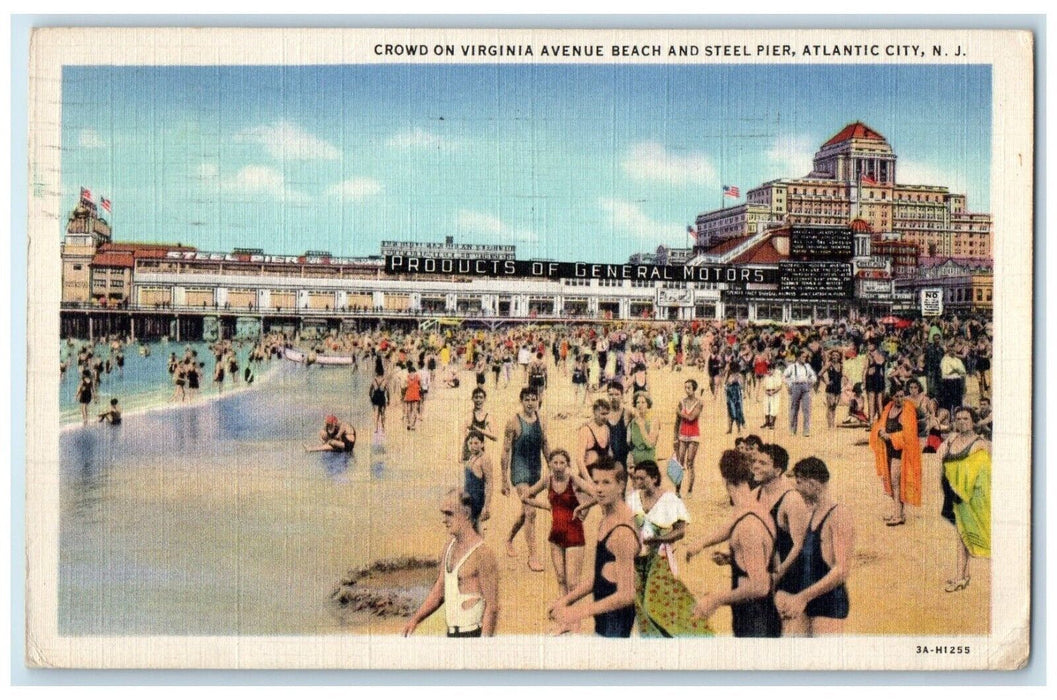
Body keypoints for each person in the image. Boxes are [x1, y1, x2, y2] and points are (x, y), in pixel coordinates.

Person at [692, 449, 781, 638]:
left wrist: (715, 600)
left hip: (756, 621)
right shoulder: (754, 508)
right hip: (759, 615)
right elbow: (732, 527)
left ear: (725, 481)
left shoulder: (748, 526)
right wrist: (704, 544)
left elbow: (760, 586)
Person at [548, 456, 638, 637]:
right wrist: (565, 601)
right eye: (596, 482)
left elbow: (627, 594)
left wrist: (577, 612)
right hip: (604, 622)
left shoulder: (621, 532)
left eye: (606, 482)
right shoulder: (606, 520)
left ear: (621, 486)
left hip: (616, 626)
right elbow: (599, 576)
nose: (599, 489)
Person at [627, 460, 712, 637]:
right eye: (636, 479)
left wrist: (658, 539)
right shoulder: (633, 498)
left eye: (642, 479)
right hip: (636, 560)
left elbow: (680, 531)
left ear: (654, 478)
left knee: (656, 602)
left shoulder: (670, 499)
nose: (638, 483)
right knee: (640, 603)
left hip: (660, 558)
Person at [402, 489, 500, 638]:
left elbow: (492, 608)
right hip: (452, 634)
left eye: (449, 514)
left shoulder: (483, 554)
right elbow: (439, 591)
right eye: (443, 514)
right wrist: (415, 619)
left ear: (466, 514)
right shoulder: (449, 546)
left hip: (473, 634)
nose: (444, 520)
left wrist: (483, 648)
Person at [774, 457, 855, 635]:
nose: (797, 488)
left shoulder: (839, 515)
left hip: (829, 605)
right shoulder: (812, 512)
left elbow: (841, 571)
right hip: (805, 600)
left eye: (800, 482)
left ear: (813, 483)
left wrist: (802, 597)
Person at [752, 444, 810, 635]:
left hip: (791, 582)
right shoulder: (756, 494)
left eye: (763, 463)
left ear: (777, 470)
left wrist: (777, 575)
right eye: (755, 462)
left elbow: (800, 546)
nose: (755, 466)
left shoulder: (791, 500)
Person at [520, 449, 594, 600]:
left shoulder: (572, 478)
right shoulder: (548, 480)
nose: (559, 466)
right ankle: (563, 618)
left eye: (562, 463)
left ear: (567, 464)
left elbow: (597, 495)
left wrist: (581, 507)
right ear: (550, 464)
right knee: (560, 579)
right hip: (555, 535)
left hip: (574, 534)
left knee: (573, 584)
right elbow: (525, 496)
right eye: (555, 462)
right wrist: (545, 506)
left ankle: (573, 619)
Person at [938, 407, 991, 592]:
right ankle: (964, 574)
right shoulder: (952, 439)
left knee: (963, 535)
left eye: (966, 418)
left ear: (973, 421)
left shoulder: (980, 444)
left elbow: (986, 472)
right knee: (962, 535)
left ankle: (960, 577)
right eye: (958, 418)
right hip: (951, 494)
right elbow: (940, 458)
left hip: (967, 497)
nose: (962, 422)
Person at [502, 388, 550, 572]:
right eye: (527, 399)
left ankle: (509, 538)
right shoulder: (513, 422)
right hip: (519, 470)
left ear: (538, 401)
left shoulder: (541, 420)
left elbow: (545, 444)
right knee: (531, 512)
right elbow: (505, 451)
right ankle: (533, 557)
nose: (530, 403)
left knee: (525, 511)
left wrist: (552, 465)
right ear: (521, 401)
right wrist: (504, 480)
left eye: (533, 399)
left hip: (534, 470)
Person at [869, 387, 922, 526]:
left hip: (901, 452)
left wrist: (891, 436)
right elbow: (880, 424)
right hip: (888, 450)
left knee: (895, 481)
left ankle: (898, 515)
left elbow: (909, 434)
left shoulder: (908, 411)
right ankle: (898, 513)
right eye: (897, 396)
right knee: (891, 482)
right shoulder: (888, 408)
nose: (900, 399)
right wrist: (880, 431)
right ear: (892, 397)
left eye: (902, 396)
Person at [673, 379, 703, 496]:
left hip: (694, 436)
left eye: (689, 388)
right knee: (680, 463)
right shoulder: (682, 402)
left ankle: (689, 490)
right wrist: (675, 437)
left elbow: (691, 418)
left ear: (694, 389)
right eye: (685, 387)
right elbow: (677, 422)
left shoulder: (699, 403)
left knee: (690, 462)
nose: (687, 390)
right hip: (682, 435)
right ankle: (677, 490)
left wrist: (679, 412)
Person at [462, 431, 494, 529]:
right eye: (470, 443)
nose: (472, 446)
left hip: (477, 499)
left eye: (476, 443)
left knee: (475, 527)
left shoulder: (484, 458)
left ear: (482, 444)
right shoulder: (471, 457)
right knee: (470, 528)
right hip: (468, 498)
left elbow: (489, 483)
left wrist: (486, 506)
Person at [783, 351, 817, 437]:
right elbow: (784, 376)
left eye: (805, 357)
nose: (804, 359)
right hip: (795, 386)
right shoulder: (792, 367)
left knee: (806, 410)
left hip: (805, 387)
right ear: (798, 357)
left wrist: (811, 383)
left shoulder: (807, 366)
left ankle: (806, 431)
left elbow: (813, 376)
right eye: (802, 357)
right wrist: (789, 385)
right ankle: (792, 430)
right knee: (794, 409)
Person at [578, 399, 612, 479]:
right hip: (589, 474)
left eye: (607, 414)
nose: (605, 417)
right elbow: (579, 460)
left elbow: (609, 454)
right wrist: (589, 481)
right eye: (602, 414)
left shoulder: (607, 429)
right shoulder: (585, 430)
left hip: (602, 476)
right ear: (594, 412)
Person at [462, 388, 497, 461]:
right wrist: (461, 454)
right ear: (472, 399)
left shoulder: (487, 416)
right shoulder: (468, 415)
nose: (478, 400)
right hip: (469, 452)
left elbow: (495, 437)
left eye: (481, 397)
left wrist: (480, 430)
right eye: (476, 397)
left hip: (480, 452)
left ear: (485, 399)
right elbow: (462, 436)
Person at [627, 392, 659, 468]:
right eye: (637, 402)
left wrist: (641, 426)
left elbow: (651, 444)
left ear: (648, 404)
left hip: (649, 462)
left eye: (643, 402)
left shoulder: (654, 420)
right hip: (635, 463)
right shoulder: (632, 422)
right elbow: (629, 443)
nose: (640, 405)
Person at [606, 381, 631, 468]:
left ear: (622, 395)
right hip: (607, 457)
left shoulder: (627, 412)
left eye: (617, 394)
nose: (613, 397)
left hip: (623, 457)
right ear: (607, 396)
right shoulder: (604, 414)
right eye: (611, 394)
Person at [820, 350, 846, 430]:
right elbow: (820, 374)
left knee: (834, 406)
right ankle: (830, 425)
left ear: (839, 357)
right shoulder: (829, 364)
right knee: (830, 406)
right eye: (833, 355)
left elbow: (843, 376)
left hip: (838, 388)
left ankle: (832, 424)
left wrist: (844, 383)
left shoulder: (841, 366)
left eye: (837, 355)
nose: (835, 357)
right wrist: (826, 382)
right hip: (830, 388)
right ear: (831, 356)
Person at [939, 345, 968, 414]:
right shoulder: (945, 359)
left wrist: (955, 370)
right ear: (948, 351)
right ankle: (948, 417)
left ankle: (957, 416)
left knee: (958, 401)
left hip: (957, 381)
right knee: (948, 401)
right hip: (948, 381)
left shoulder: (958, 360)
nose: (952, 352)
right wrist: (956, 370)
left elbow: (962, 371)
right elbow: (946, 372)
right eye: (950, 351)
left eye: (954, 351)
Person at [724, 357, 746, 435]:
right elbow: (725, 385)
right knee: (731, 413)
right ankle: (730, 428)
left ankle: (738, 429)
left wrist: (737, 382)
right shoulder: (729, 375)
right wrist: (730, 383)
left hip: (737, 396)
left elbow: (742, 386)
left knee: (738, 412)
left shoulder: (740, 376)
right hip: (730, 396)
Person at [761, 360, 784, 430]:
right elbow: (763, 385)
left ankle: (772, 423)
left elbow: (779, 387)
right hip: (767, 393)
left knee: (774, 408)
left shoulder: (777, 376)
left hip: (774, 393)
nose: (769, 371)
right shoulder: (766, 376)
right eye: (768, 370)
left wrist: (773, 392)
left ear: (773, 370)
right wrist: (766, 391)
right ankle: (767, 422)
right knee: (766, 408)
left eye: (770, 370)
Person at [369, 359, 390, 434]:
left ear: (376, 372)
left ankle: (376, 428)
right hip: (382, 398)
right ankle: (383, 428)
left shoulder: (374, 380)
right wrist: (389, 400)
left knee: (376, 414)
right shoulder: (385, 380)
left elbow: (370, 391)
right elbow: (387, 391)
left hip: (375, 397)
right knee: (383, 413)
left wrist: (371, 399)